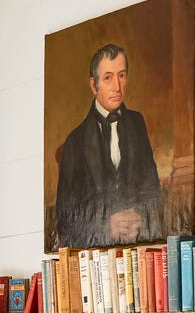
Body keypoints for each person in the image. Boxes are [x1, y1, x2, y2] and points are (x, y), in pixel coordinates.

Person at [54, 44, 161, 248]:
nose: (117, 88)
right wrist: (106, 225)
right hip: (96, 255)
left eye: (122, 75)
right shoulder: (75, 142)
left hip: (138, 246)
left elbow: (153, 188)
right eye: (108, 78)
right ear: (94, 86)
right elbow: (65, 217)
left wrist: (137, 213)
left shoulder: (137, 123)